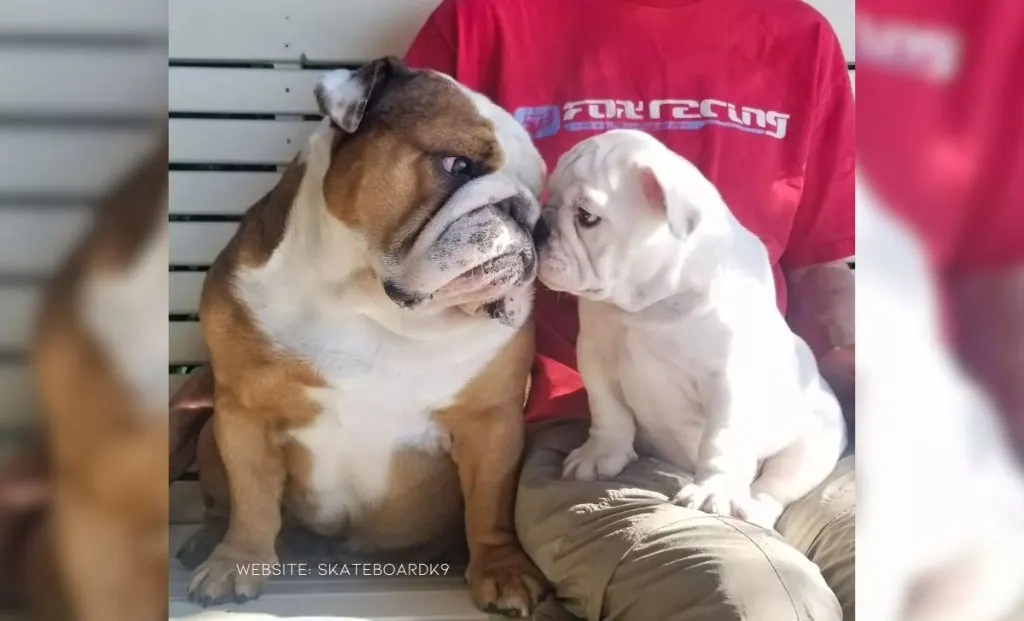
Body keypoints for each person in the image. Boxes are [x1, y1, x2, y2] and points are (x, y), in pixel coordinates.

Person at [404, 0, 855, 619]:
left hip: (783, 435)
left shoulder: (796, 35)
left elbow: (819, 265)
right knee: (752, 601)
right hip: (580, 434)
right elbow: (402, 233)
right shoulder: (488, 20)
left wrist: (880, 369)